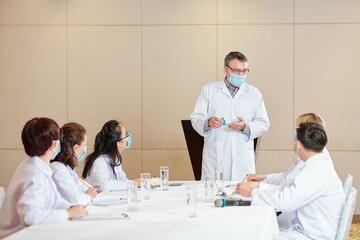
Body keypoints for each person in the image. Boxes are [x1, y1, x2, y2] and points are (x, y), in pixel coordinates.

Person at [234, 122, 345, 240]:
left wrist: (253, 193)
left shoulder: (316, 171)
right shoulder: (316, 165)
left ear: (298, 145)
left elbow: (285, 202)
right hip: (309, 230)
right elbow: (287, 189)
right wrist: (258, 187)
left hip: (313, 235)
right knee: (258, 230)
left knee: (254, 234)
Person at [0, 118, 88, 238]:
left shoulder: (37, 166)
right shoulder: (33, 174)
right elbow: (30, 216)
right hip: (18, 235)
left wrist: (72, 208)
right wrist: (67, 213)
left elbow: (56, 200)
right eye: (59, 139)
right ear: (53, 145)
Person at [191, 51, 270, 181]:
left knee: (240, 196)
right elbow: (196, 118)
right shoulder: (209, 90)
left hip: (242, 158)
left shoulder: (254, 93)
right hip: (216, 156)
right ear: (225, 69)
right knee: (214, 196)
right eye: (236, 70)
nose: (241, 75)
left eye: (244, 71)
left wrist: (245, 126)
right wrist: (208, 122)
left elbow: (264, 123)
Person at [247, 113, 332, 191]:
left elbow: (286, 188)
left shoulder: (314, 160)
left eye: (298, 128)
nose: (295, 131)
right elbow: (287, 177)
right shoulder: (311, 154)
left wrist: (258, 186)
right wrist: (264, 178)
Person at [82, 120, 141, 192]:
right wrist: (133, 183)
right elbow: (103, 186)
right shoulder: (99, 162)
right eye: (126, 134)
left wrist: (135, 183)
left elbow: (122, 179)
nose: (128, 137)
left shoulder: (115, 158)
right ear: (119, 143)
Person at [50, 123, 97, 205]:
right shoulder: (57, 169)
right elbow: (76, 200)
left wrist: (89, 193)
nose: (85, 149)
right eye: (85, 145)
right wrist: (89, 196)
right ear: (76, 148)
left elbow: (87, 189)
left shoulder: (67, 168)